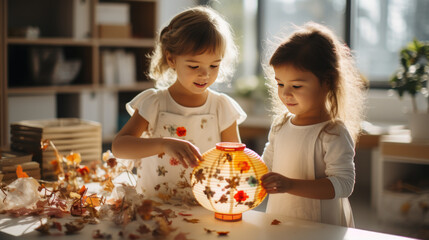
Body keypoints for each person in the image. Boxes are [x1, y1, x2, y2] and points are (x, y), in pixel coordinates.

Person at [112, 6, 246, 204]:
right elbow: (119, 147)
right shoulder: (154, 102)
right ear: (171, 59)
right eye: (194, 66)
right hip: (154, 209)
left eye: (214, 65)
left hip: (204, 209)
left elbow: (234, 162)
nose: (205, 74)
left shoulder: (222, 107)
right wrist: (163, 144)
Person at [260, 22, 366, 227]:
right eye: (280, 83)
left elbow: (344, 184)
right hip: (282, 218)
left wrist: (290, 185)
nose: (285, 93)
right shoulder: (280, 124)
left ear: (328, 82)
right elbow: (265, 166)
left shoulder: (333, 132)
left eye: (296, 85)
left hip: (322, 225)